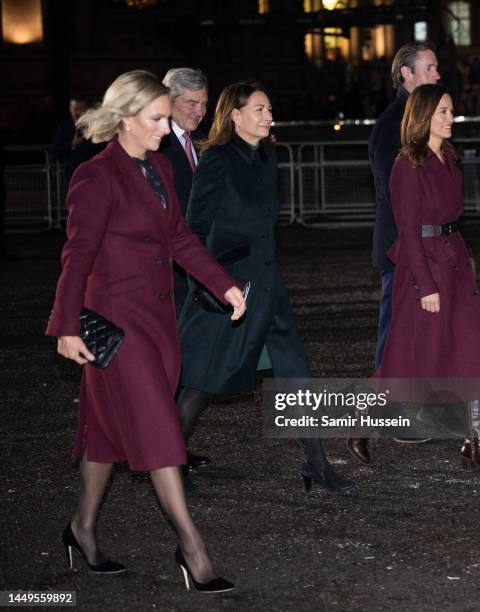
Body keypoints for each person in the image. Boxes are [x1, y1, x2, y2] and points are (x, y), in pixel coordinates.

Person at [45, 70, 247, 593]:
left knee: (107, 435)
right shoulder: (96, 176)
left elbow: (179, 237)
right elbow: (77, 257)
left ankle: (81, 528)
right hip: (114, 328)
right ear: (125, 118)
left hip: (158, 325)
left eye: (166, 116)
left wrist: (223, 285)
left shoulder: (157, 165)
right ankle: (192, 548)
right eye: (157, 117)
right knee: (160, 431)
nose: (167, 126)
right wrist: (66, 327)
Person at [176, 81, 355, 494]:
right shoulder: (217, 160)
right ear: (234, 115)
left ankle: (318, 465)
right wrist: (207, 284)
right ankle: (167, 464)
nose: (268, 115)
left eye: (269, 108)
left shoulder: (267, 157)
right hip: (231, 289)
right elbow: (193, 231)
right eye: (258, 109)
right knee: (204, 381)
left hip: (269, 285)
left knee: (296, 376)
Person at [369, 83, 480, 476]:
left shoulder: (449, 156)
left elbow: (451, 217)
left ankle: (475, 444)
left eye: (452, 111)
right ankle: (359, 424)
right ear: (424, 115)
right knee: (406, 362)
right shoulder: (406, 164)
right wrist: (425, 286)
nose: (451, 118)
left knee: (474, 353)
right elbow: (408, 232)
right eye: (444, 112)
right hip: (423, 270)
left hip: (455, 264)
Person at [347, 43, 441, 460]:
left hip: (418, 245)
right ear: (406, 74)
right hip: (401, 249)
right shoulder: (393, 124)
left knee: (418, 331)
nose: (438, 75)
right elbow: (396, 193)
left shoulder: (419, 119)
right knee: (395, 335)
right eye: (430, 68)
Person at [160, 68, 209, 318]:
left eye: (203, 104)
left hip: (202, 259)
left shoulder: (205, 141)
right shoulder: (154, 144)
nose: (199, 112)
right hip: (168, 265)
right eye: (191, 103)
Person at [50, 95, 102, 189]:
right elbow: (55, 151)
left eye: (81, 109)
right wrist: (72, 144)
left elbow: (102, 148)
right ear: (70, 109)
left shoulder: (96, 127)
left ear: (87, 110)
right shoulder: (64, 128)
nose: (77, 113)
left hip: (95, 174)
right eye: (75, 109)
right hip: (73, 176)